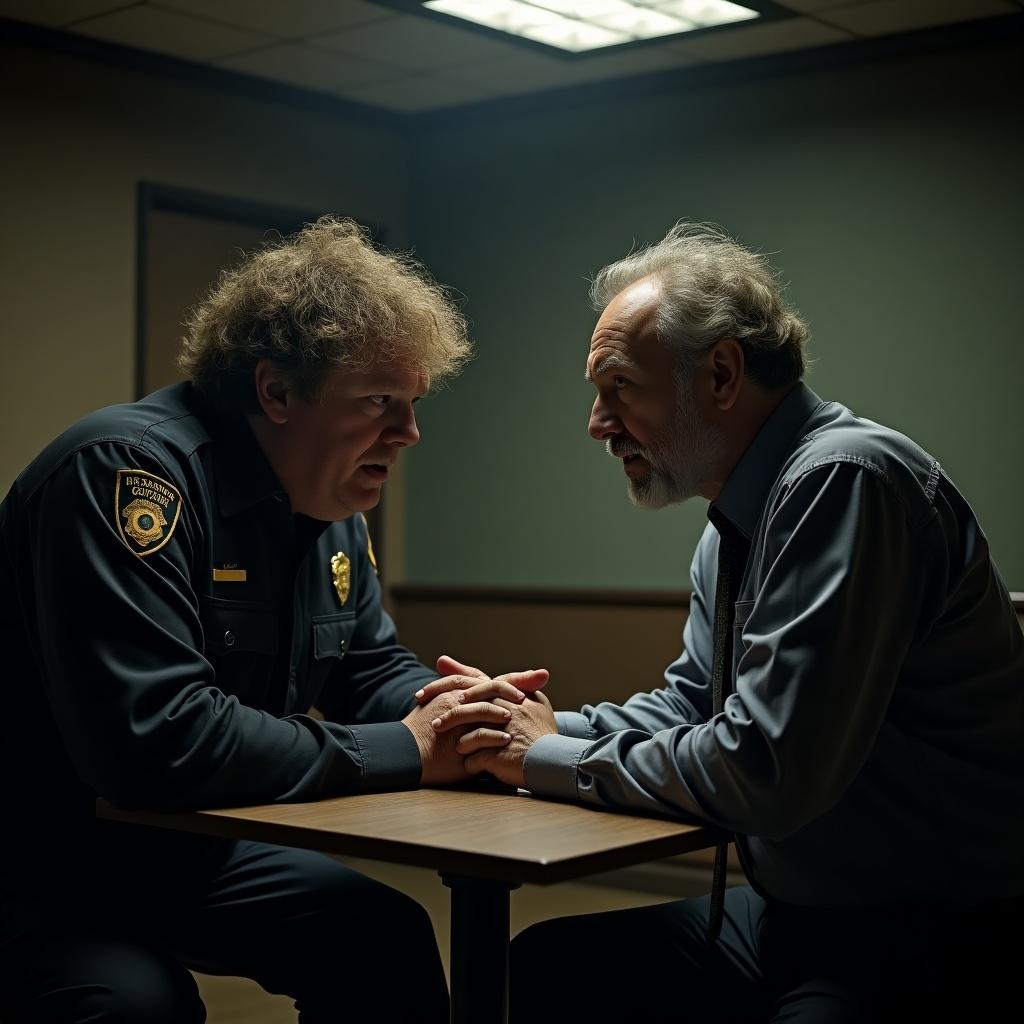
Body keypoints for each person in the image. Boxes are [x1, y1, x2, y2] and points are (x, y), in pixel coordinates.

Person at [421, 222, 1024, 1020]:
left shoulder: (843, 481)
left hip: (929, 937)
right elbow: (692, 709)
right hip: (801, 917)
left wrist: (546, 758)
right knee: (543, 968)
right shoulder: (738, 516)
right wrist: (529, 726)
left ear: (723, 374)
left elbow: (764, 767)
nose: (599, 424)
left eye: (618, 388)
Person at [0, 217, 543, 1023]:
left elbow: (370, 670)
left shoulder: (327, 511)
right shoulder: (126, 477)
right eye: (378, 403)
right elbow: (161, 740)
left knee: (380, 940)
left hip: (173, 846)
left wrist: (461, 715)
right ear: (276, 392)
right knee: (140, 1005)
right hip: (35, 851)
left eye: (414, 403)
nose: (408, 434)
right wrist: (408, 748)